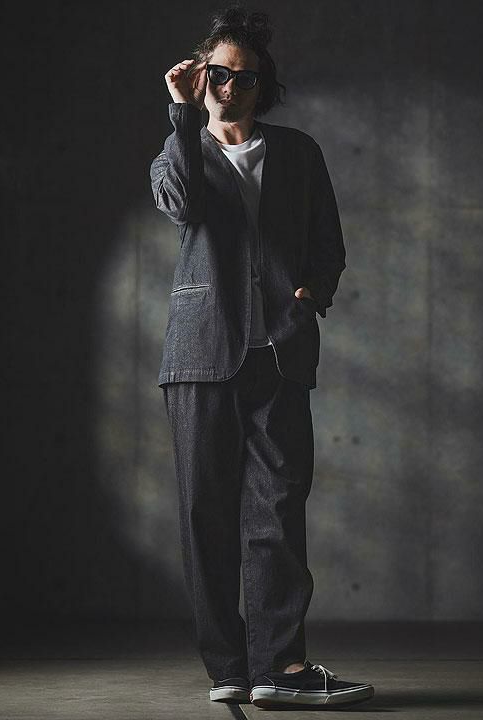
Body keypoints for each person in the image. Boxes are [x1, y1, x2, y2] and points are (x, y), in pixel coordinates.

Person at [149, 4, 374, 709]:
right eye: (218, 74)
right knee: (206, 515)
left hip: (278, 353)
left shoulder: (299, 152)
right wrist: (182, 117)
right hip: (200, 356)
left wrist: (312, 296)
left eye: (243, 77)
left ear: (261, 85)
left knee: (278, 511)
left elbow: (329, 243)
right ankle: (227, 668)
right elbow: (182, 203)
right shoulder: (179, 150)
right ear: (200, 77)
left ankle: (280, 667)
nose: (229, 87)